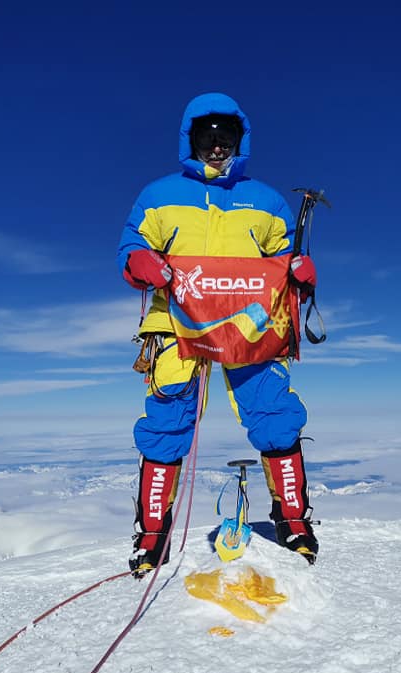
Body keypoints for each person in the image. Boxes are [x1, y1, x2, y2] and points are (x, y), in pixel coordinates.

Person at [117, 92, 319, 576]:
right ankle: (151, 533)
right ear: (190, 140)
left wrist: (301, 273)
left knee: (274, 413)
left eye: (224, 137)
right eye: (206, 137)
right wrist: (141, 263)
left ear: (239, 140)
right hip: (177, 321)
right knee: (167, 420)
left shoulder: (268, 201)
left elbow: (283, 262)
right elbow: (131, 247)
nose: (215, 147)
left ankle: (292, 520)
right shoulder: (158, 195)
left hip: (250, 322)